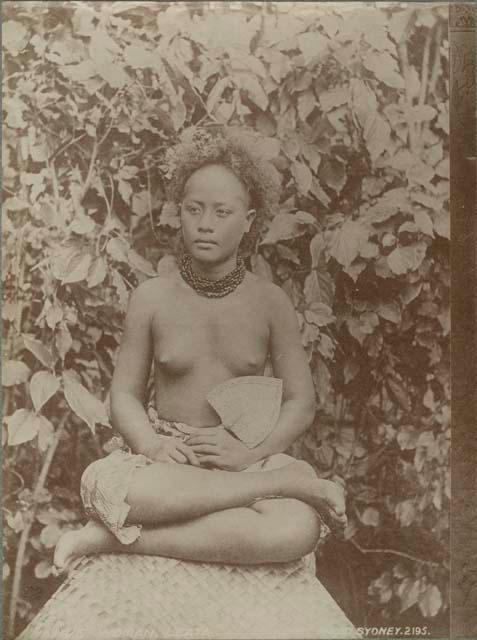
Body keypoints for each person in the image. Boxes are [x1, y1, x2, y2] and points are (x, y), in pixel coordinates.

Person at [54, 127, 347, 573]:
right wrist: (152, 446)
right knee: (104, 485)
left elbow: (300, 401)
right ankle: (277, 486)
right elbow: (124, 397)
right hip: (169, 461)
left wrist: (250, 454)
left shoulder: (270, 303)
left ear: (248, 221)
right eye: (194, 209)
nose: (205, 223)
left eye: (222, 212)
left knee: (297, 529)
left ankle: (115, 541)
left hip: (246, 459)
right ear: (180, 214)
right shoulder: (152, 297)